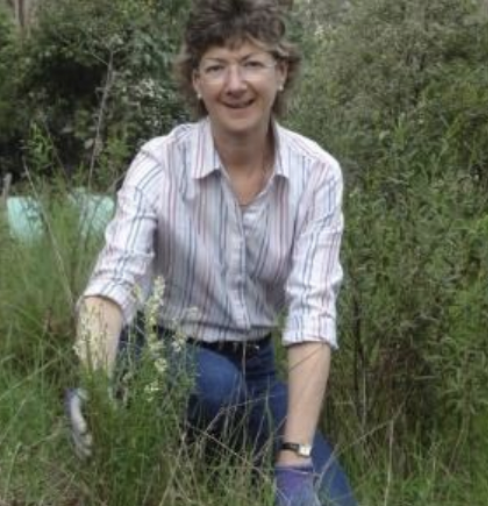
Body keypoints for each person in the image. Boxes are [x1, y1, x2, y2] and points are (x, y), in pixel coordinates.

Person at [67, 1, 358, 505]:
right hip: (158, 349)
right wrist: (93, 381)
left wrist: (293, 460)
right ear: (196, 81)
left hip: (258, 366)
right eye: (217, 67)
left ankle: (240, 459)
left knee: (331, 499)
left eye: (252, 63)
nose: (235, 84)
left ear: (281, 72)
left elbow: (312, 316)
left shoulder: (317, 174)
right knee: (217, 387)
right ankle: (118, 408)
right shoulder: (160, 163)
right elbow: (112, 285)